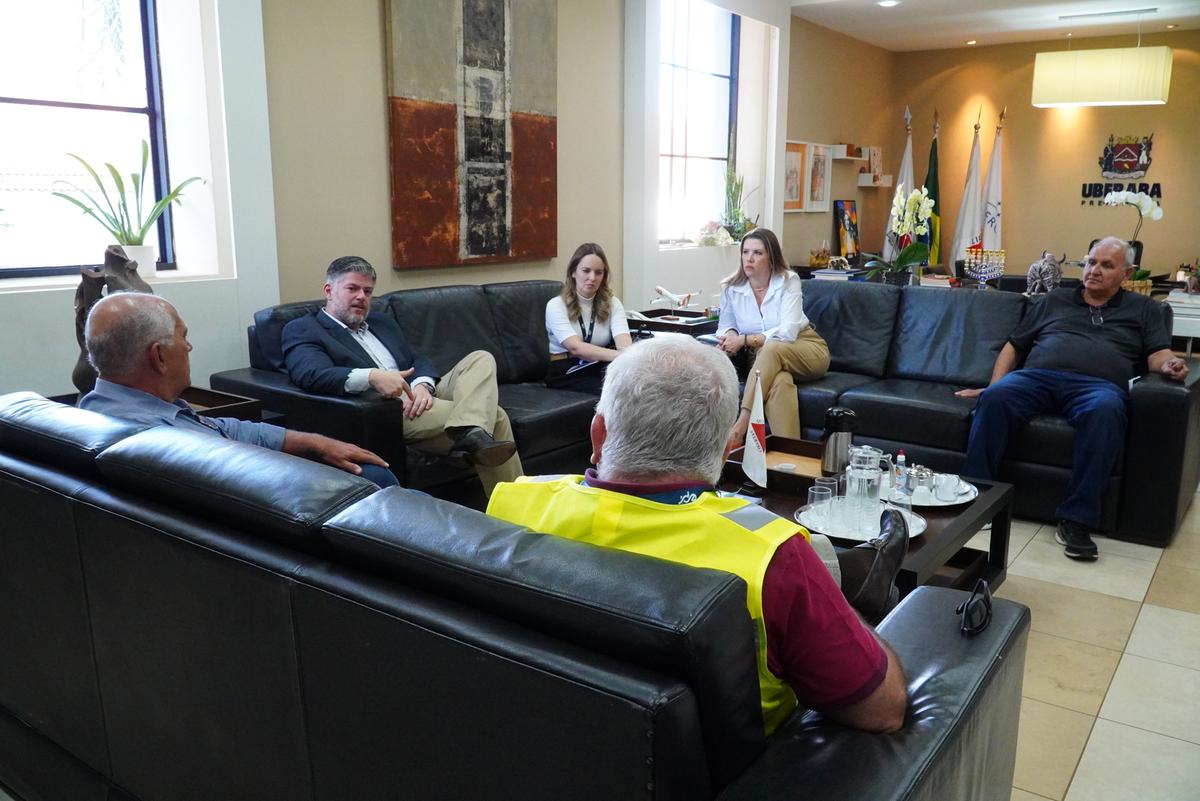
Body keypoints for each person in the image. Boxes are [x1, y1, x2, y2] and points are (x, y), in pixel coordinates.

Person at [487, 334, 908, 735]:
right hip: (738, 775)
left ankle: (851, 572)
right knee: (830, 585)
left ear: (599, 434)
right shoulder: (772, 556)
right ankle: (855, 580)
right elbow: (882, 709)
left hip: (541, 745)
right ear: (726, 452)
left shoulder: (510, 503)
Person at [956, 237, 1187, 560]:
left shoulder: (1145, 309)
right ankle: (977, 495)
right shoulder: (1055, 300)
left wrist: (1169, 364)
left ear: (1126, 273)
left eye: (1107, 265)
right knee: (996, 398)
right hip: (1037, 378)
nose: (1095, 270)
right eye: (1091, 262)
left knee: (1105, 411)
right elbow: (1014, 346)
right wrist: (994, 385)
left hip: (1097, 388)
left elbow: (1157, 354)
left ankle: (1076, 520)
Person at [78, 292, 398, 487]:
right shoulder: (178, 445)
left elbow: (221, 427)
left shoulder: (96, 407)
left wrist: (313, 442)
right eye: (182, 337)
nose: (188, 347)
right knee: (376, 477)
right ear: (159, 356)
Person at [281, 256, 522, 496]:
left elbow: (418, 360)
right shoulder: (304, 328)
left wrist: (423, 386)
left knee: (480, 358)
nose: (361, 297)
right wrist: (373, 377)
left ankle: (469, 431)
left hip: (419, 396)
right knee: (497, 417)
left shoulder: (381, 323)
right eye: (352, 289)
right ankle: (517, 512)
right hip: (390, 409)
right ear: (329, 291)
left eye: (367, 291)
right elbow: (311, 374)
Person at [718, 228, 830, 444]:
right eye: (745, 252)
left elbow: (788, 332)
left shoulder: (789, 280)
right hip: (763, 359)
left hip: (805, 348)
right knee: (779, 384)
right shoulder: (731, 288)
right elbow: (726, 326)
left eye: (758, 253)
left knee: (771, 348)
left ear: (771, 257)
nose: (749, 258)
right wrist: (731, 336)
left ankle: (741, 424)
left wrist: (745, 340)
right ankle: (790, 461)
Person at [544, 243, 633, 394]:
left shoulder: (613, 303)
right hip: (566, 370)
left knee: (642, 385)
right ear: (573, 272)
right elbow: (576, 348)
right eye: (586, 271)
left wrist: (630, 355)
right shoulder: (556, 305)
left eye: (598, 272)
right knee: (617, 391)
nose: (592, 278)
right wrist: (622, 356)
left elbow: (624, 342)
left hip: (599, 366)